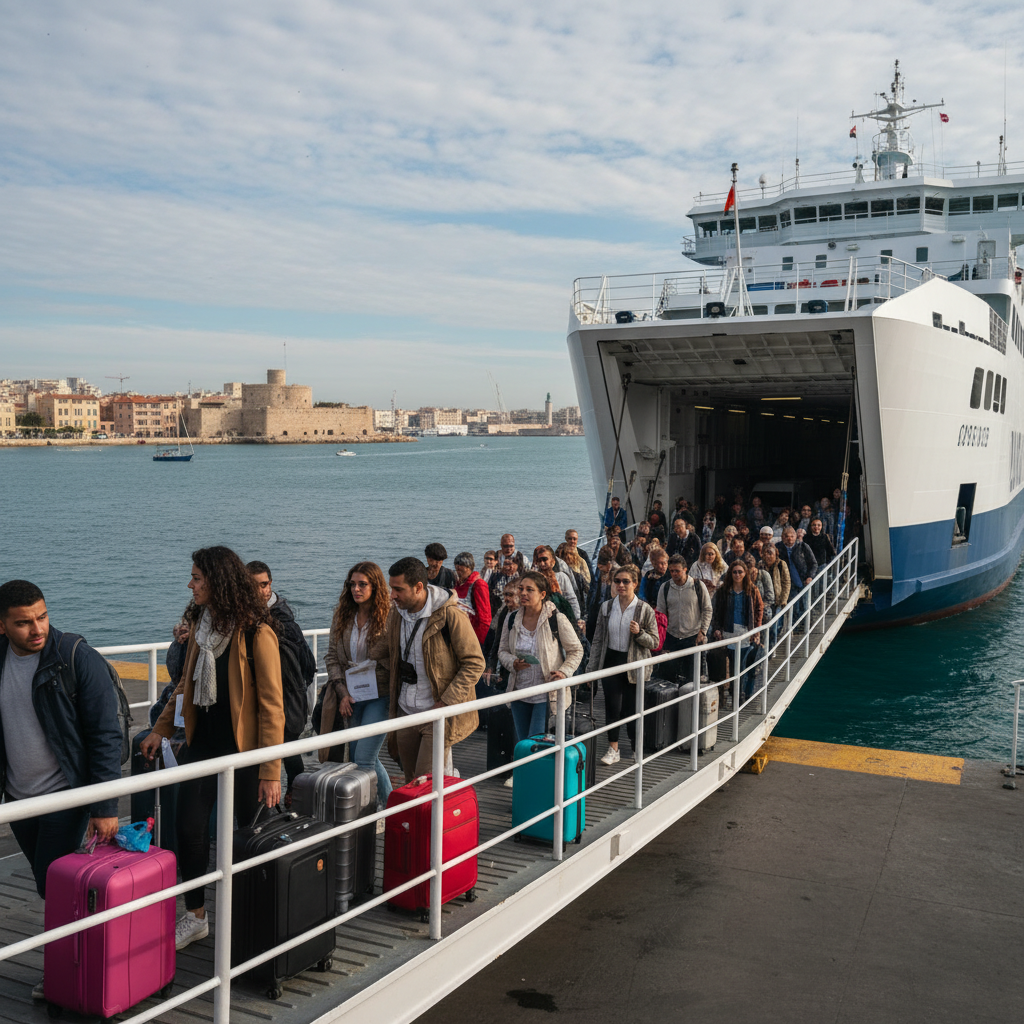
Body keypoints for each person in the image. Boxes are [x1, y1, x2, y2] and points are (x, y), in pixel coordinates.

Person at [140, 546, 284, 951]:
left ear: (217, 581)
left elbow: (273, 706)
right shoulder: (202, 627)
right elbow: (184, 686)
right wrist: (161, 729)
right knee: (188, 827)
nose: (190, 585)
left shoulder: (257, 632)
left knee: (249, 835)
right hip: (203, 746)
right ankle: (197, 915)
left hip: (246, 752)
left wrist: (271, 770)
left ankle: (253, 910)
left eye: (197, 578)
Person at [0, 580, 122, 998]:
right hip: (18, 798)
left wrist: (104, 804)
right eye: (23, 623)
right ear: (1, 626)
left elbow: (105, 735)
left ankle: (65, 974)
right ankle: (76, 963)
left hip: (66, 795)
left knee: (57, 887)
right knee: (45, 883)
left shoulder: (75, 656)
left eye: (42, 616)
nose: (38, 629)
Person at [387, 557, 484, 782]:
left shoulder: (451, 614)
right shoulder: (396, 614)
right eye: (391, 588)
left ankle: (437, 815)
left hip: (435, 712)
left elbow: (475, 662)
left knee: (425, 783)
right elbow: (386, 653)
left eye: (398, 589)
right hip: (405, 710)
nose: (392, 595)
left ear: (419, 587)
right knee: (411, 780)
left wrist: (445, 702)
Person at [318, 561, 392, 809]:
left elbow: (397, 657)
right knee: (364, 754)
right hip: (351, 694)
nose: (356, 589)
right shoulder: (342, 615)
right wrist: (341, 693)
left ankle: (377, 813)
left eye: (362, 584)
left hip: (380, 695)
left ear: (375, 586)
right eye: (352, 584)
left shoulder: (390, 616)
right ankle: (389, 803)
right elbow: (331, 656)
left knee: (363, 759)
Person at [247, 560, 317, 807]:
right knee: (287, 748)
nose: (260, 590)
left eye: (264, 584)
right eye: (253, 585)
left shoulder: (282, 620)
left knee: (286, 746)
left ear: (271, 584)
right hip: (276, 697)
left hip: (287, 697)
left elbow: (304, 663)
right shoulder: (247, 618)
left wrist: (297, 693)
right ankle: (287, 795)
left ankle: (293, 794)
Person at [498, 571, 583, 745]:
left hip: (545, 693)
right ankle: (526, 772)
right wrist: (512, 663)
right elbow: (503, 651)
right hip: (519, 691)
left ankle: (536, 772)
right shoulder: (512, 618)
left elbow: (576, 650)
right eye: (521, 589)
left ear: (542, 594)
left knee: (534, 743)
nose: (523, 593)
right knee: (522, 743)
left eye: (530, 590)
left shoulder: (556, 618)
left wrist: (563, 672)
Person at [587, 564, 658, 765]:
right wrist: (591, 669)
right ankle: (613, 748)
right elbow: (598, 640)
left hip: (634, 664)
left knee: (632, 709)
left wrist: (640, 633)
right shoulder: (607, 607)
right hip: (611, 661)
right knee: (612, 707)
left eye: (626, 581)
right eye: (617, 581)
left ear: (635, 584)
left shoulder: (644, 609)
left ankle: (636, 747)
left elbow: (655, 642)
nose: (621, 585)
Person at [710, 560, 763, 706]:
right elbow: (716, 611)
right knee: (734, 667)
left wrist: (757, 630)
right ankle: (736, 696)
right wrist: (717, 628)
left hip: (746, 631)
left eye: (740, 572)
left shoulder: (752, 590)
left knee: (743, 666)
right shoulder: (723, 591)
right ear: (730, 574)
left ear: (745, 573)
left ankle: (741, 695)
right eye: (734, 572)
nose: (737, 574)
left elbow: (759, 609)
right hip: (728, 631)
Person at [655, 556, 712, 683]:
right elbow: (660, 615)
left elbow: (707, 609)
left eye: (677, 571)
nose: (674, 574)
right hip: (672, 637)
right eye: (671, 571)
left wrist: (703, 631)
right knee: (668, 678)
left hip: (693, 637)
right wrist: (662, 641)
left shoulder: (698, 586)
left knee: (692, 677)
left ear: (685, 569)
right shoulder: (665, 588)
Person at [777, 526, 817, 628]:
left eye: (792, 536)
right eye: (786, 536)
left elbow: (813, 564)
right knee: (794, 607)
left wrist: (810, 576)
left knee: (806, 604)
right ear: (782, 537)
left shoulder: (803, 546)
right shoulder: (778, 548)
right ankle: (796, 628)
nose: (789, 539)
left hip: (803, 579)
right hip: (788, 582)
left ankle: (808, 626)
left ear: (796, 536)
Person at [532, 546, 582, 623]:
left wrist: (577, 619)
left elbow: (571, 599)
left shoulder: (561, 577)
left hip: (562, 618)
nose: (542, 563)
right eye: (539, 560)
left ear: (552, 561)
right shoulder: (535, 579)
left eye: (545, 559)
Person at [453, 551, 492, 644]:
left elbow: (485, 618)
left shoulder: (479, 584)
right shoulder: (458, 584)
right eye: (457, 570)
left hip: (472, 636)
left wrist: (478, 643)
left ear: (469, 568)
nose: (458, 573)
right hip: (459, 634)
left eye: (461, 570)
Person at [759, 541, 791, 647]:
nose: (768, 556)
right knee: (767, 627)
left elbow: (786, 583)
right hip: (765, 601)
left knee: (776, 626)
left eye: (770, 553)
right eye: (765, 553)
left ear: (776, 553)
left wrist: (783, 600)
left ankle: (772, 647)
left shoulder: (781, 564)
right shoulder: (760, 566)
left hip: (778, 600)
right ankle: (768, 647)